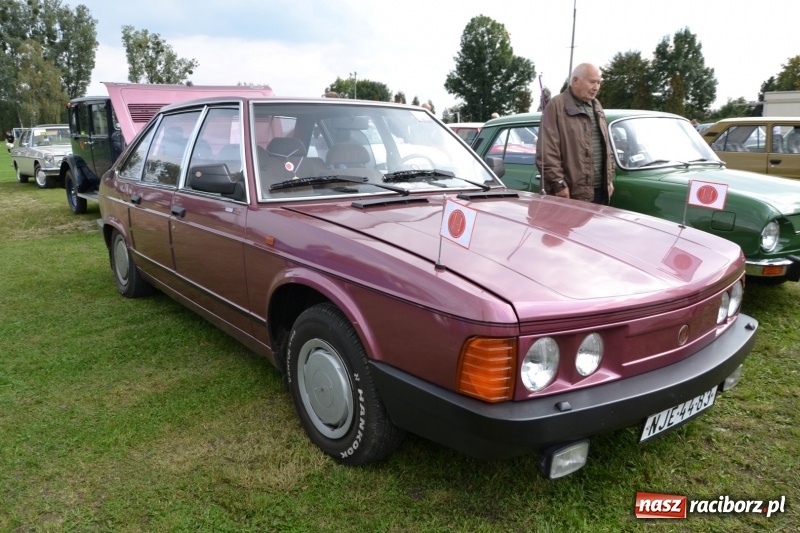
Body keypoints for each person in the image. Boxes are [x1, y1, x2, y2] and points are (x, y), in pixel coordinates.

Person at [536, 63, 615, 204]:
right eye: (592, 82)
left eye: (598, 83)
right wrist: (558, 184)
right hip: (570, 193)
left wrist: (609, 179)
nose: (596, 87)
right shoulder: (556, 106)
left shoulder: (597, 106)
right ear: (575, 81)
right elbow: (547, 152)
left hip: (599, 191)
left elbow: (606, 146)